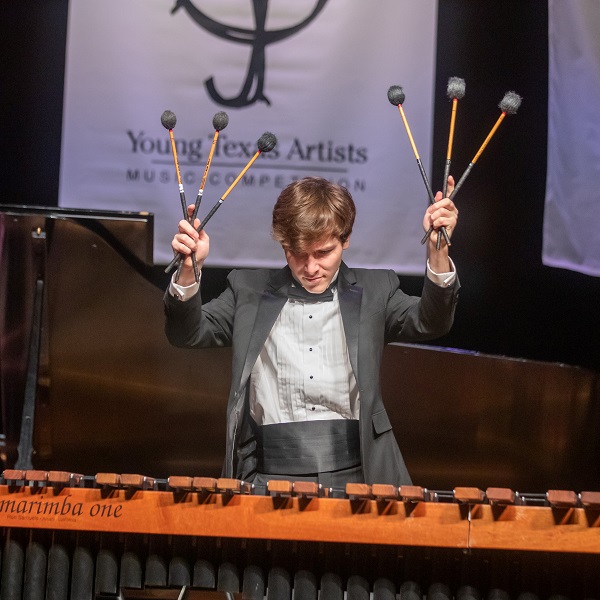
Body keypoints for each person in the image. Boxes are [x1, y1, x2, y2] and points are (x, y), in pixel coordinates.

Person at [164, 176, 459, 489]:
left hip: (359, 474)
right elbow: (187, 333)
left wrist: (437, 253)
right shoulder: (247, 290)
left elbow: (431, 322)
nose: (310, 267)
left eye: (323, 253)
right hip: (268, 475)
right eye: (296, 253)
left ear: (345, 239)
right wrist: (188, 269)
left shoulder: (377, 290)